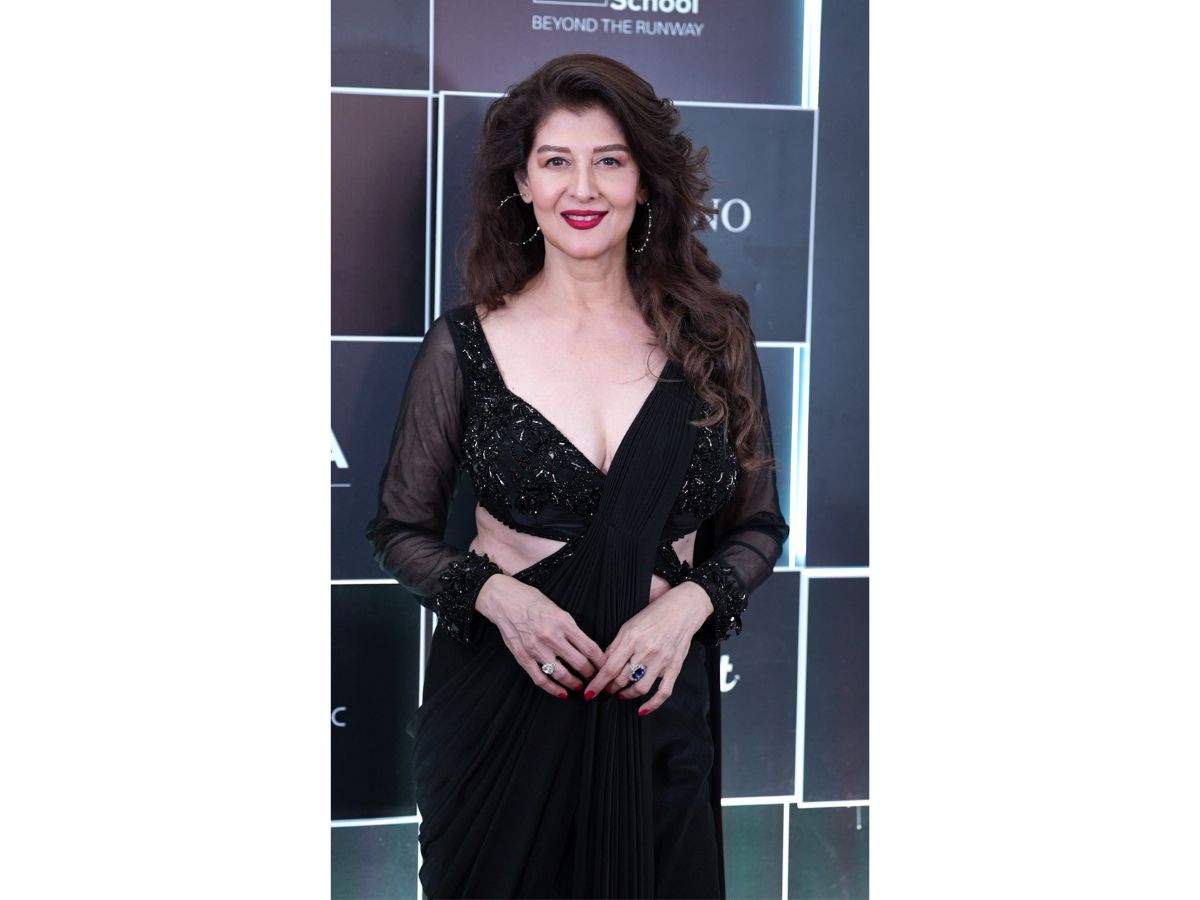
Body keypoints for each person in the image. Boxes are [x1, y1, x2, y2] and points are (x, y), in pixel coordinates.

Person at [366, 53, 789, 899]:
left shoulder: (716, 340)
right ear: (523, 183)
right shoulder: (465, 345)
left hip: (657, 710)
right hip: (501, 711)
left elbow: (757, 527)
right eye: (556, 160)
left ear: (644, 180)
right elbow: (399, 530)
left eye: (609, 160)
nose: (582, 188)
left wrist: (687, 609)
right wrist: (498, 597)